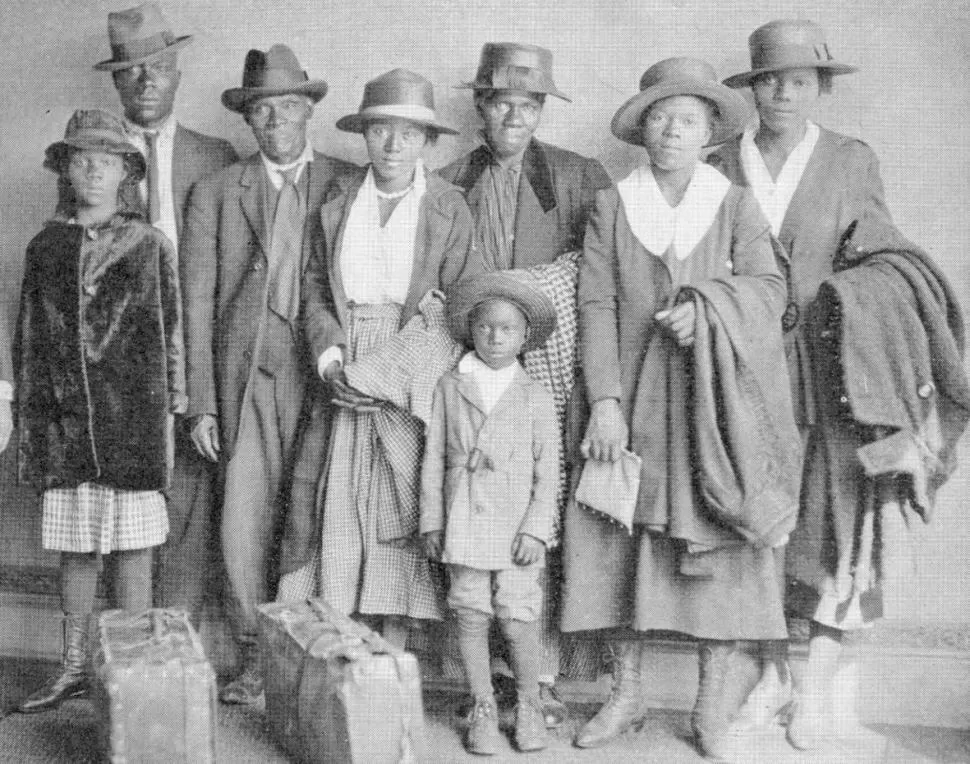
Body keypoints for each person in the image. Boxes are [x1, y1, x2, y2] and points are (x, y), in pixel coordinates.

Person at [710, 20, 957, 749]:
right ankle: (772, 676)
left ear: (819, 87)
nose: (782, 92)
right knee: (751, 523)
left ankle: (818, 690)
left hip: (831, 368)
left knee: (837, 519)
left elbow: (885, 255)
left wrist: (847, 300)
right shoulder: (723, 162)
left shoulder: (850, 159)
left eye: (797, 80)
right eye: (768, 80)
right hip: (746, 370)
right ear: (751, 88)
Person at [561, 58, 803, 758]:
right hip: (631, 396)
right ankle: (626, 694)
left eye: (687, 120)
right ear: (642, 130)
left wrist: (710, 311)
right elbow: (596, 300)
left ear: (707, 134)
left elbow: (768, 289)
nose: (671, 131)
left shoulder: (733, 205)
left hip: (711, 403)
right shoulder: (613, 203)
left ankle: (709, 710)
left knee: (722, 546)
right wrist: (604, 401)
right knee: (616, 540)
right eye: (660, 119)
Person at [439, 40, 613, 727]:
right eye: (503, 101)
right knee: (477, 516)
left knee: (545, 522)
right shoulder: (451, 179)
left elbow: (599, 280)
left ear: (543, 110)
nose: (515, 114)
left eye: (529, 103)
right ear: (481, 105)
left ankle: (542, 680)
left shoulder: (579, 176)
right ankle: (492, 685)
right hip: (476, 376)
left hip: (551, 381)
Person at [180, 44, 355, 705]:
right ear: (247, 122)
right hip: (246, 372)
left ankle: (310, 652)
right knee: (245, 513)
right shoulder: (219, 191)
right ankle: (255, 654)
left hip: (324, 372)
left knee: (316, 508)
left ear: (310, 109)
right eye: (262, 110)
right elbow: (196, 300)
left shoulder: (347, 181)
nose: (275, 119)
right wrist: (200, 400)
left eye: (287, 106)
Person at [278, 69, 476, 648]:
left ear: (427, 143)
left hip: (412, 364)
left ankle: (393, 653)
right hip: (344, 364)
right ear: (364, 135)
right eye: (381, 131)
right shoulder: (338, 202)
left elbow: (458, 303)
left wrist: (389, 374)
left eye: (409, 134)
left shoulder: (448, 207)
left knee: (400, 499)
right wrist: (334, 361)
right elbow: (315, 289)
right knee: (333, 499)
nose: (393, 146)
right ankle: (336, 642)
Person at [15, 109, 185, 713]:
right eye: (80, 160)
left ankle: (132, 671)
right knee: (76, 547)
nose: (92, 171)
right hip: (63, 425)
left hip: (132, 422)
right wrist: (29, 422)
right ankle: (70, 667)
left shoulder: (147, 245)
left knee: (134, 546)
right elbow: (28, 340)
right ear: (65, 171)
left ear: (125, 173)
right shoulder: (47, 246)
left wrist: (174, 407)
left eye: (105, 161)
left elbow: (171, 335)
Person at [93, 2, 237, 623]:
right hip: (120, 356)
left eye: (157, 67)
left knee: (189, 498)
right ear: (115, 82)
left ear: (177, 70)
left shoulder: (217, 155)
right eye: (130, 72)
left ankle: (177, 639)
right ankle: (121, 642)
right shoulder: (92, 160)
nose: (146, 82)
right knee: (121, 498)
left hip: (195, 344)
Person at [421, 270, 559, 755]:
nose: (495, 338)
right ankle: (481, 704)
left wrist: (537, 530)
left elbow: (549, 475)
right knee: (470, 605)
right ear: (470, 330)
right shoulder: (450, 386)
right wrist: (433, 521)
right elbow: (434, 457)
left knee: (518, 609)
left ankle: (527, 703)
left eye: (507, 329)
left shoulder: (536, 396)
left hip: (516, 523)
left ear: (525, 337)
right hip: (464, 518)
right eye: (485, 327)